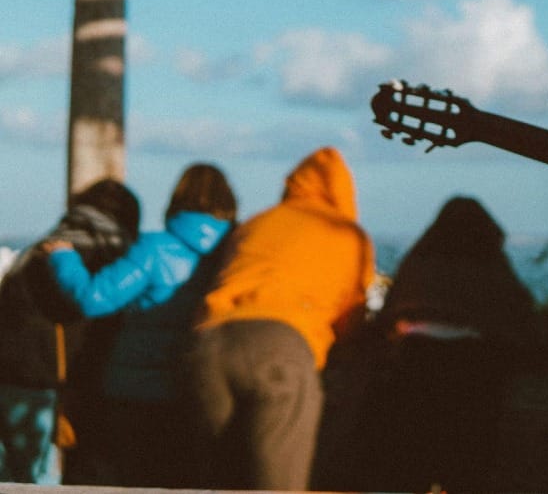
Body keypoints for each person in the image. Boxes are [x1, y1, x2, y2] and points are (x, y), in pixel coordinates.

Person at [314, 196, 541, 492]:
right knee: (468, 469)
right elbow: (523, 323)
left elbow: (386, 320)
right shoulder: (491, 267)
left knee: (411, 467)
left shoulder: (419, 263)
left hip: (414, 366)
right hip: (474, 374)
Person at [186, 146, 375, 491]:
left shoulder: (258, 222)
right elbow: (352, 323)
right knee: (278, 485)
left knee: (220, 483)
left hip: (209, 344)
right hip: (281, 347)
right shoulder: (348, 234)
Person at [41, 163, 237, 487]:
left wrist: (63, 257)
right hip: (197, 391)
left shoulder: (155, 248)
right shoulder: (234, 252)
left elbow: (95, 297)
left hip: (133, 392)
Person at [0, 179, 139, 484]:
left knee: (15, 474)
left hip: (14, 375)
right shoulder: (101, 256)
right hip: (54, 383)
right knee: (43, 476)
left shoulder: (44, 247)